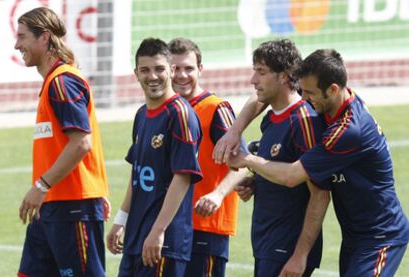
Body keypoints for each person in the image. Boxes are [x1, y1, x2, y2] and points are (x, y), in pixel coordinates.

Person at [222, 49, 409, 276]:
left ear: (332, 89)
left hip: (380, 236)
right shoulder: (329, 97)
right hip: (354, 234)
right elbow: (265, 95)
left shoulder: (349, 131)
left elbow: (292, 176)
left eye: (309, 93)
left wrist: (248, 159)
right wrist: (235, 131)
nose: (303, 99)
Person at [15, 7, 110, 277]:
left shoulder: (63, 82)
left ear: (43, 38)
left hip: (72, 206)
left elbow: (81, 143)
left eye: (22, 37)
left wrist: (41, 185)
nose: (17, 44)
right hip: (52, 206)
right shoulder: (53, 82)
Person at [227, 39, 331, 276]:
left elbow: (320, 193)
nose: (253, 80)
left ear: (284, 76)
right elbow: (282, 167)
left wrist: (300, 256)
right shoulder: (271, 118)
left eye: (261, 72)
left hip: (287, 249)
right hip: (267, 243)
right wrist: (257, 182)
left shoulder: (304, 120)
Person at [106, 38, 203, 277]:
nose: (153, 76)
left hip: (163, 242)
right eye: (145, 70)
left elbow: (183, 177)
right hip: (136, 237)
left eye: (159, 69)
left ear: (171, 70)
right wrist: (121, 219)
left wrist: (159, 230)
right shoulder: (142, 114)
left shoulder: (179, 114)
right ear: (136, 74)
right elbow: (138, 173)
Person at [168, 37, 249, 277]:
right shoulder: (168, 108)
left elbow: (243, 163)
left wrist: (218, 193)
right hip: (172, 224)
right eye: (175, 68)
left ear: (200, 70)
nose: (182, 75)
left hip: (205, 227)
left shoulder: (215, 108)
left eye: (188, 68)